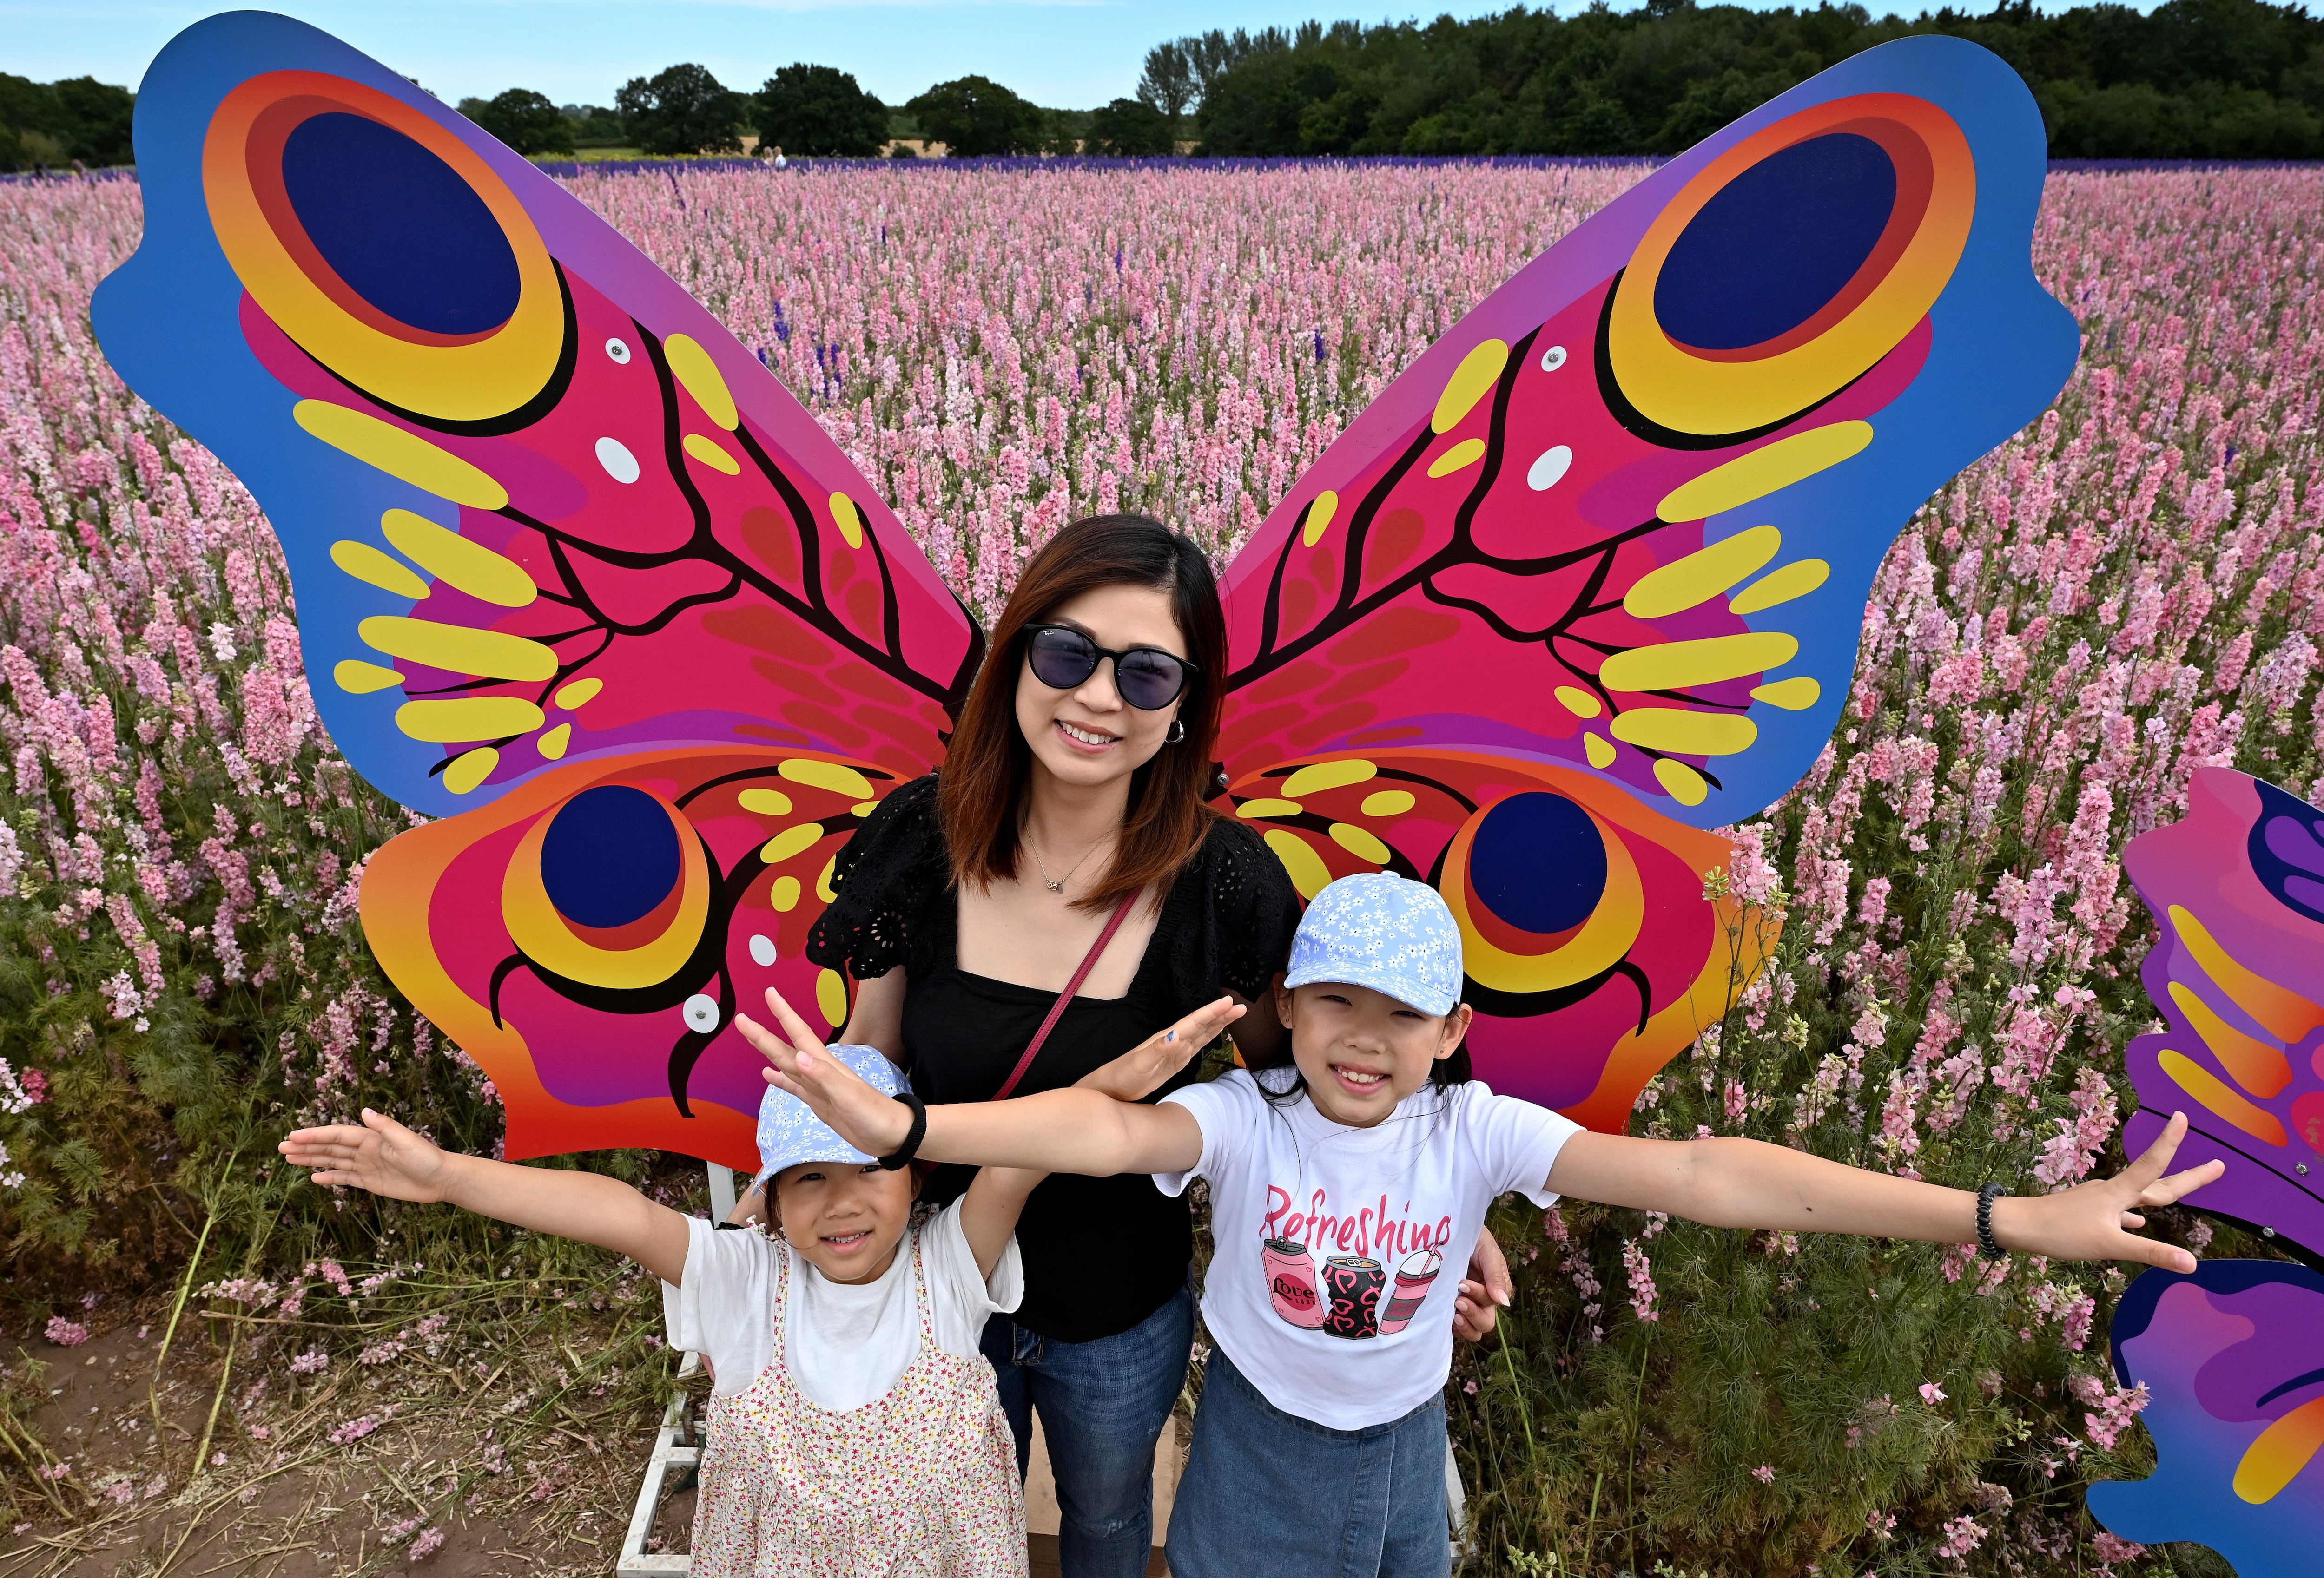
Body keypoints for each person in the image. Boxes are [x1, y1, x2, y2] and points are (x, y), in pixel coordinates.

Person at [740, 873, 2227, 1578]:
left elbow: (1718, 1172)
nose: (1362, 1039)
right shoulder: (1247, 1124)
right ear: (1290, 1007)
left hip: (1402, 1455)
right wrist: (911, 1131)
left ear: (1454, 1030)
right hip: (1258, 1459)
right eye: (1333, 1002)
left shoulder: (1481, 1135)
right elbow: (1100, 1130)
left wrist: (2015, 1212)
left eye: (1402, 1013)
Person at [794, 513, 1512, 1576]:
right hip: (939, 1286)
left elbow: (1312, 1071)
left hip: (1120, 1315)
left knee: (1109, 1517)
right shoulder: (919, 838)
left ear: (1184, 706)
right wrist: (803, 1188)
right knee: (947, 1523)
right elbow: (872, 1054)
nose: (1095, 698)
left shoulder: (1224, 885)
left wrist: (1434, 1199)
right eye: (1066, 652)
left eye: (1144, 675)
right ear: (1014, 658)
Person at [280, 1046, 1037, 1575]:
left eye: (872, 1167)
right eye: (808, 1176)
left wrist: (1128, 1073)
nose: (843, 1200)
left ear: (916, 1176)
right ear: (769, 1200)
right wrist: (448, 1174)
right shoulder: (745, 1280)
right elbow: (625, 1216)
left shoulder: (946, 1264)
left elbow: (1028, 1151)